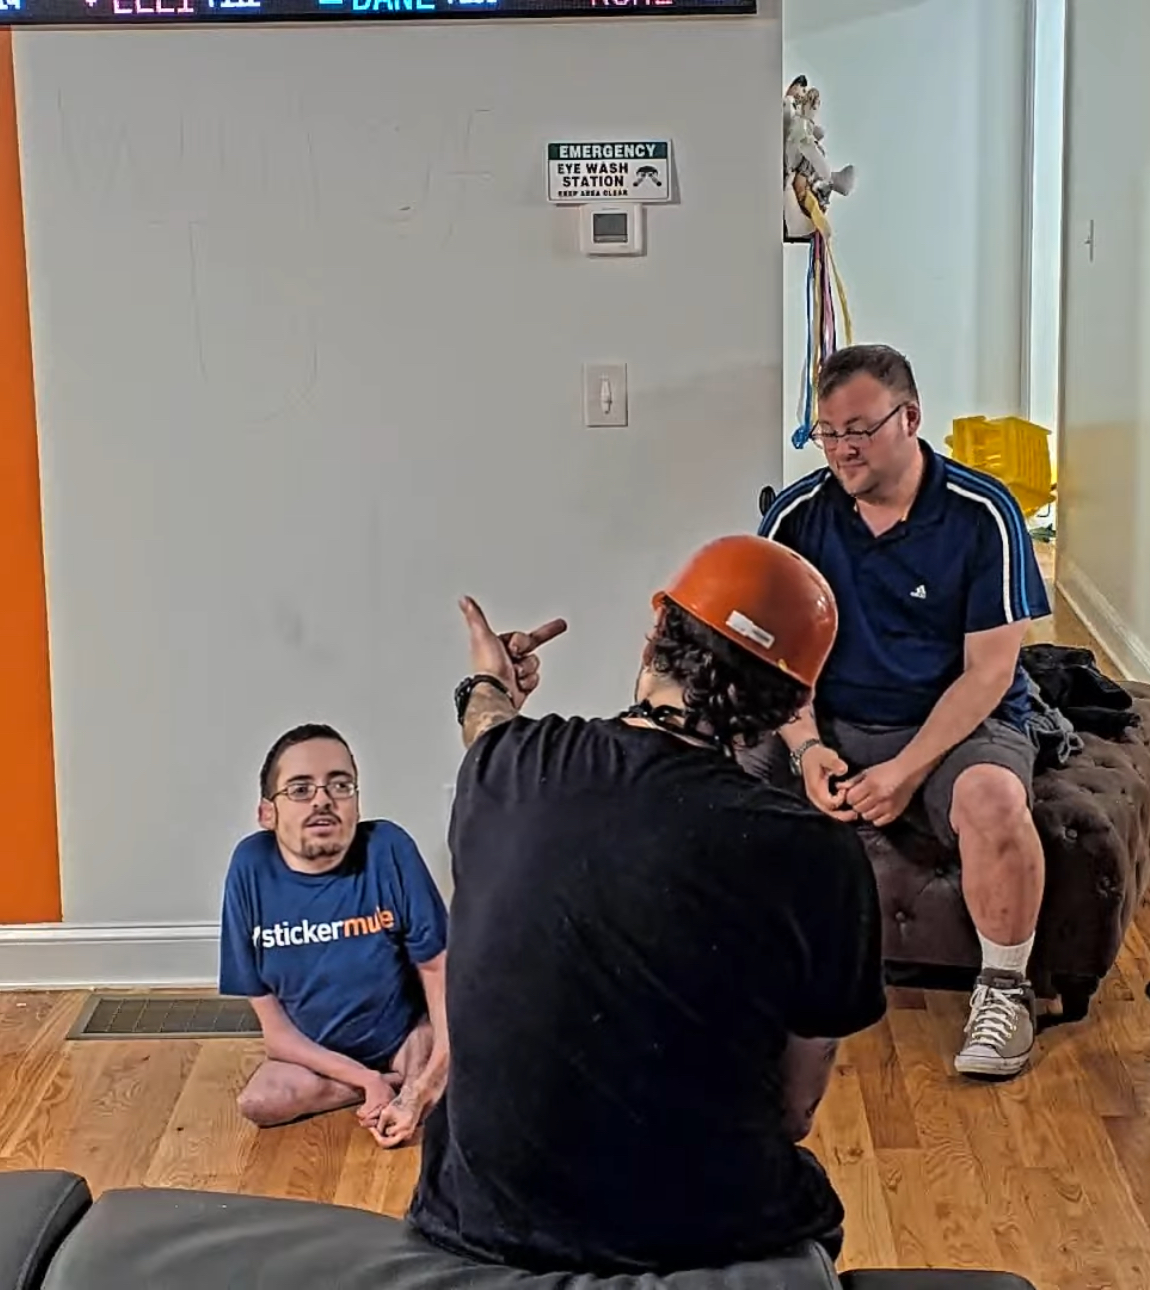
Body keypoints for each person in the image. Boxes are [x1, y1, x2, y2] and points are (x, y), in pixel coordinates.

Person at [406, 536, 886, 1275]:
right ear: (792, 705)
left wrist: (486, 680)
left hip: (475, 1221)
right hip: (699, 1235)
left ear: (657, 634)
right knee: (808, 1196)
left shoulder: (506, 765)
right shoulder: (817, 854)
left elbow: (485, 722)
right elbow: (793, 1112)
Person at [748, 342, 1053, 1082]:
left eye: (858, 429)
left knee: (992, 798)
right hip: (832, 718)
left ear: (909, 418)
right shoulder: (797, 516)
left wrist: (906, 771)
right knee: (706, 780)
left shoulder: (983, 512)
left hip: (958, 722)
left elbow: (989, 672)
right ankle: (727, 974)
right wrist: (806, 748)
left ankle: (1004, 989)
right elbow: (775, 659)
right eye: (827, 432)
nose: (841, 448)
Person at [220, 723, 451, 1149]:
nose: (323, 800)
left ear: (356, 804)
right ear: (267, 814)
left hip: (403, 1038)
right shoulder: (250, 867)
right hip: (316, 1056)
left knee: (454, 1067)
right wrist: (366, 1080)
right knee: (259, 1102)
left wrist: (425, 1083)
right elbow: (276, 1034)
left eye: (340, 786)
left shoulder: (388, 847)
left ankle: (402, 1082)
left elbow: (439, 972)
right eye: (300, 789)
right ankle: (383, 1086)